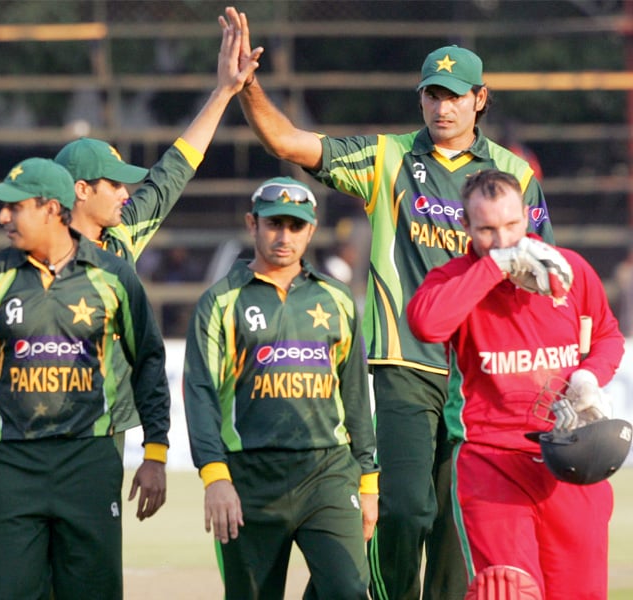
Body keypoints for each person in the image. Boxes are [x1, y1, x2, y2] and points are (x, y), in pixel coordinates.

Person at [220, 8, 554, 599]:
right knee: (404, 510)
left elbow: (546, 281)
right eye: (431, 94)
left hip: (483, 376)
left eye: (454, 96)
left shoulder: (514, 176)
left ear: (480, 99)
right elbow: (287, 142)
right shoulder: (388, 159)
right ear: (420, 98)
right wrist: (246, 87)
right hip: (404, 363)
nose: (441, 107)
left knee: (458, 528)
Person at [0, 158, 170, 599]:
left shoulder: (113, 275)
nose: (3, 217)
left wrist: (155, 453)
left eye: (16, 206)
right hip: (11, 466)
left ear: (52, 210)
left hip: (89, 463)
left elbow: (149, 363)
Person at [406, 169, 625, 598]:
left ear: (527, 217)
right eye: (487, 229)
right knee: (508, 591)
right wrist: (493, 268)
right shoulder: (457, 278)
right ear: (465, 227)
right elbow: (426, 324)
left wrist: (587, 377)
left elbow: (607, 336)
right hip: (493, 466)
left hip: (570, 460)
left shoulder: (569, 270)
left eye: (511, 225)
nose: (504, 240)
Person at [53, 20, 260, 468]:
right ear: (81, 190)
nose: (127, 193)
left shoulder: (121, 232)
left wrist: (224, 92)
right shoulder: (31, 250)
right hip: (28, 434)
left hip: (103, 432)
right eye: (115, 184)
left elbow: (177, 166)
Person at [183, 176, 379, 599]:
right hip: (249, 478)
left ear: (310, 230)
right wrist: (215, 478)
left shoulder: (337, 299)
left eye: (295, 226)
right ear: (252, 224)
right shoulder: (220, 302)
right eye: (274, 224)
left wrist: (368, 483)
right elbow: (199, 394)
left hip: (327, 473)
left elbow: (356, 400)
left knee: (347, 590)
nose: (283, 236)